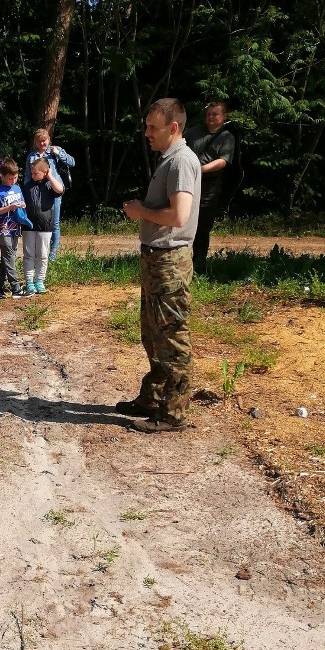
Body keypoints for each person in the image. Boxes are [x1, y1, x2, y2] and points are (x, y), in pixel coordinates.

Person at [118, 97, 201, 433]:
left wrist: (140, 212)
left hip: (169, 261)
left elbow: (179, 216)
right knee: (153, 334)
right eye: (147, 125)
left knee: (172, 337)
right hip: (157, 260)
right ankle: (153, 397)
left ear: (173, 127)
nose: (147, 133)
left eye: (153, 127)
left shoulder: (181, 161)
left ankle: (173, 413)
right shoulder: (169, 159)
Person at [185, 100, 236, 274]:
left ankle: (199, 265)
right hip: (187, 181)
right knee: (182, 222)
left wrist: (200, 170)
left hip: (209, 185)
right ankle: (181, 263)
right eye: (209, 114)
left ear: (224, 116)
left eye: (215, 114)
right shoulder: (192, 132)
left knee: (203, 226)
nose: (211, 117)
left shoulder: (227, 137)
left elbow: (223, 161)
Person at [25, 128, 75, 261]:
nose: (42, 143)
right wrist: (26, 192)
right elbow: (28, 176)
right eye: (39, 141)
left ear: (49, 140)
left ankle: (52, 253)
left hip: (55, 189)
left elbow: (72, 162)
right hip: (38, 192)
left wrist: (59, 154)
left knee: (55, 223)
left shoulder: (55, 151)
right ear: (36, 142)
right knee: (41, 219)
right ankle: (41, 251)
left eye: (44, 140)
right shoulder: (31, 156)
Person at [22, 158, 64, 294]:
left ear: (45, 172)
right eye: (32, 173)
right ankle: (29, 282)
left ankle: (39, 281)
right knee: (29, 255)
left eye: (36, 173)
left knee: (43, 255)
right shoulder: (27, 186)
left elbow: (60, 189)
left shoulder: (49, 185)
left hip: (45, 226)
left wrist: (50, 176)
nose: (33, 176)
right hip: (28, 226)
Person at [0, 160, 26, 298]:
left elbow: (22, 201)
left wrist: (22, 204)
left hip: (15, 227)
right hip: (3, 228)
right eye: (10, 178)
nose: (13, 180)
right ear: (3, 176)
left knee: (8, 257)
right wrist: (9, 208)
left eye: (15, 178)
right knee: (9, 256)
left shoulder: (17, 188)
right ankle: (15, 287)